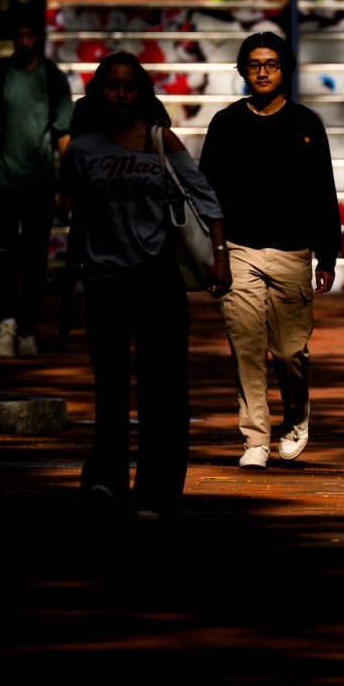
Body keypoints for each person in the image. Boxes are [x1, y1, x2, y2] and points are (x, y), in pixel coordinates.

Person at [57, 52, 229, 523]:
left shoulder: (160, 141)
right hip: (104, 281)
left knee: (163, 390)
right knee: (109, 388)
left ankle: (155, 491)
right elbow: (77, 221)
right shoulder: (81, 150)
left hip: (158, 280)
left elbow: (206, 199)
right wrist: (68, 289)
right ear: (98, 91)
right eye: (111, 85)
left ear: (142, 93)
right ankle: (104, 481)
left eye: (129, 86)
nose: (119, 93)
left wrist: (220, 257)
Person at [198, 31, 342, 470]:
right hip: (238, 250)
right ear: (243, 70)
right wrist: (215, 252)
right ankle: (254, 438)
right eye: (255, 64)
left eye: (272, 64)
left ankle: (296, 415)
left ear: (285, 70)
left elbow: (323, 192)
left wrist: (328, 255)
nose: (262, 71)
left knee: (289, 351)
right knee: (246, 346)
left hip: (293, 252)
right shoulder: (225, 124)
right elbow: (205, 194)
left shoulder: (305, 125)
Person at [0, 5, 74, 358]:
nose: (26, 41)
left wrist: (66, 185)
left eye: (31, 35)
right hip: (2, 182)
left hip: (41, 184)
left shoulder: (52, 78)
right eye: (21, 35)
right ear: (14, 38)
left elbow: (63, 136)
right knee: (5, 258)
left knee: (34, 260)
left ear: (39, 38)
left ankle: (29, 327)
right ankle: (7, 323)